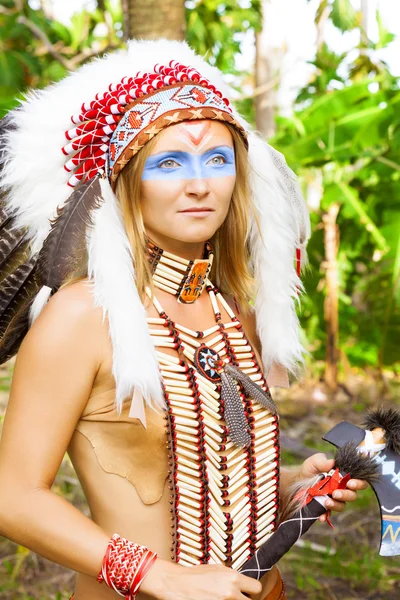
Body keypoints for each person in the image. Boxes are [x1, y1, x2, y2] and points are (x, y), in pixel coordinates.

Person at [0, 39, 367, 600]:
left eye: (217, 160)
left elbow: (214, 468)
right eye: (169, 163)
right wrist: (157, 574)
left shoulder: (235, 311)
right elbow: (13, 497)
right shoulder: (82, 317)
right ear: (125, 179)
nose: (200, 184)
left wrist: (293, 486)